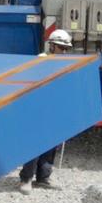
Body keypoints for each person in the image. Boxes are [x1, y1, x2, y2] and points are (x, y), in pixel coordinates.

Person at [16, 25, 77, 190]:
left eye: (66, 49)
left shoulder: (65, 63)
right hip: (39, 108)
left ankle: (43, 177)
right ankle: (26, 179)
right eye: (61, 47)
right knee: (34, 143)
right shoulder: (41, 60)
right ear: (51, 45)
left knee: (51, 144)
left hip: (54, 108)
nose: (64, 51)